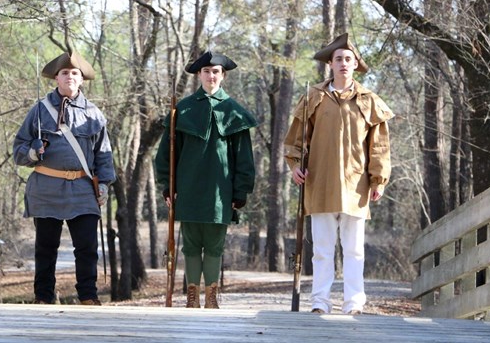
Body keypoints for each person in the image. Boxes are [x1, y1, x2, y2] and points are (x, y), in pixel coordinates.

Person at [283, 33, 393, 315]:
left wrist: (378, 179)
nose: (344, 63)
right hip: (319, 183)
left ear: (356, 64)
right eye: (338, 59)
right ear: (330, 64)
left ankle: (354, 304)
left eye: (348, 59)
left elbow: (379, 145)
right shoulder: (313, 98)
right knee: (322, 249)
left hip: (356, 187)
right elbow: (295, 139)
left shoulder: (368, 100)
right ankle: (320, 302)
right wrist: (295, 166)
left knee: (355, 250)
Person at [155, 51, 258, 309]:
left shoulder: (234, 112)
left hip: (220, 192)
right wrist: (168, 187)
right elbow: (167, 153)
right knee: (190, 243)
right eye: (206, 71)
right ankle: (192, 296)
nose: (211, 76)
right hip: (188, 189)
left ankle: (211, 296)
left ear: (223, 76)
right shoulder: (182, 110)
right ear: (199, 75)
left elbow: (244, 158)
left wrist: (240, 192)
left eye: (216, 72)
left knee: (214, 244)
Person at [13, 51, 116, 306]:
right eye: (64, 73)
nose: (69, 77)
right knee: (46, 248)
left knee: (87, 247)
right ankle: (43, 297)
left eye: (74, 73)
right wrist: (32, 153)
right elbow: (18, 151)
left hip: (82, 187)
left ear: (81, 80)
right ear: (56, 78)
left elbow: (103, 154)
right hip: (46, 187)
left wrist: (103, 184)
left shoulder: (94, 114)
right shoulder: (38, 110)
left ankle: (88, 297)